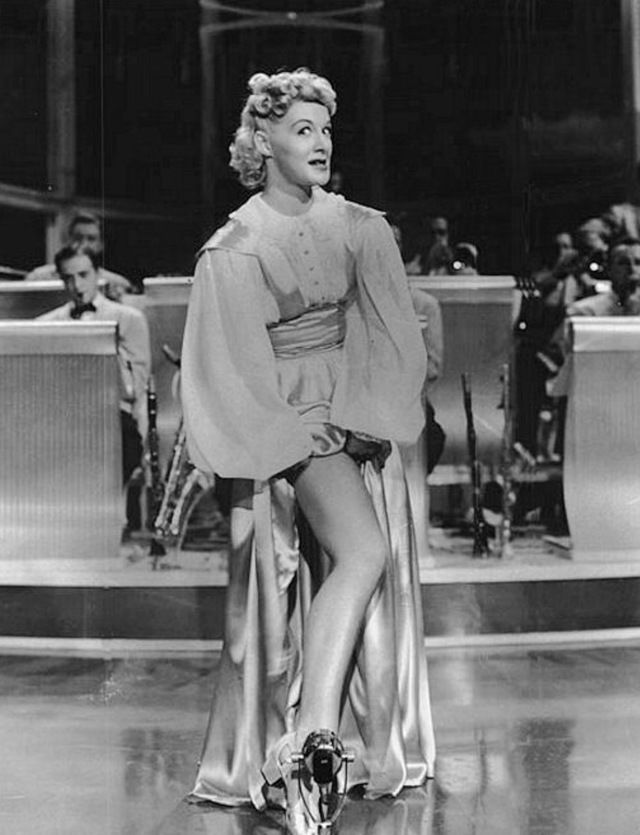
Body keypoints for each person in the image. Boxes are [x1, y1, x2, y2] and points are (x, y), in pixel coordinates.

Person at [181, 68, 435, 832]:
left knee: (365, 552)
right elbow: (229, 368)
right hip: (285, 419)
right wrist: (300, 433)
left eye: (326, 129)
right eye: (302, 130)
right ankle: (314, 739)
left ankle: (315, 743)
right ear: (263, 141)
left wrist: (365, 415)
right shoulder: (234, 247)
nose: (321, 142)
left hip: (351, 405)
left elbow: (392, 330)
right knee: (363, 549)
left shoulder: (361, 226)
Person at [37, 245, 151, 533]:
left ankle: (107, 524)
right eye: (68, 278)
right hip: (63, 422)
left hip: (114, 420)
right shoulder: (47, 324)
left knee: (121, 442)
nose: (77, 286)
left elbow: (134, 388)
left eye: (83, 275)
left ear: (98, 274)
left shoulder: (129, 319)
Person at [25, 211, 133, 300]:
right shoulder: (38, 277)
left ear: (101, 245)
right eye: (78, 237)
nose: (83, 244)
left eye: (91, 239)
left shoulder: (117, 283)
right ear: (68, 240)